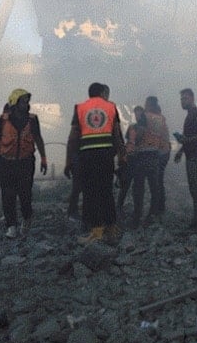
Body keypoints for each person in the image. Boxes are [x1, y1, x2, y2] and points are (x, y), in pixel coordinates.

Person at [66, 83, 125, 243]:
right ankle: (111, 228)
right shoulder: (111, 107)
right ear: (101, 93)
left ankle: (97, 231)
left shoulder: (80, 108)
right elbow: (117, 134)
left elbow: (73, 137)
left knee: (91, 193)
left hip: (88, 157)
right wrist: (122, 156)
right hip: (106, 156)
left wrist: (69, 161)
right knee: (106, 190)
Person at [0, 88, 48, 238]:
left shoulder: (32, 119)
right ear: (15, 103)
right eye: (23, 101)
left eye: (27, 101)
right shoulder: (3, 120)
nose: (26, 104)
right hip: (6, 162)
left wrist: (43, 158)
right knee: (7, 194)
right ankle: (11, 225)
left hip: (26, 162)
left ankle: (27, 217)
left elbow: (38, 138)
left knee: (25, 194)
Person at [126, 95, 170, 227]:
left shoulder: (145, 116)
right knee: (154, 187)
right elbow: (163, 137)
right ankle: (153, 214)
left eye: (146, 103)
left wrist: (131, 146)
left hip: (142, 155)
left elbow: (140, 133)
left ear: (149, 104)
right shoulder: (161, 119)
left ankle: (137, 216)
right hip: (155, 155)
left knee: (138, 187)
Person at [174, 88, 197, 230]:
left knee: (196, 188)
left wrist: (187, 141)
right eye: (182, 99)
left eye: (185, 99)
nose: (183, 101)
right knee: (194, 188)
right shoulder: (189, 116)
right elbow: (188, 139)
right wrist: (181, 150)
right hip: (191, 156)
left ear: (192, 99)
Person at [115, 106, 144, 215]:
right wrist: (123, 157)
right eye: (136, 113)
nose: (138, 116)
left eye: (139, 113)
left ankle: (137, 210)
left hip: (139, 160)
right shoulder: (132, 127)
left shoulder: (145, 129)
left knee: (137, 187)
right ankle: (119, 206)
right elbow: (128, 143)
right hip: (130, 159)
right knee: (125, 185)